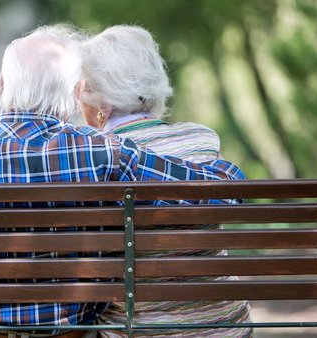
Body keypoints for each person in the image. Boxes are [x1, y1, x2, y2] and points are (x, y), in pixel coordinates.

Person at [0, 24, 246, 338]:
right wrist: (230, 174)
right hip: (68, 333)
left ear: (1, 85)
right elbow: (221, 193)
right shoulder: (100, 151)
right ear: (75, 93)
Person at [77, 25, 252, 338]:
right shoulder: (200, 138)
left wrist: (95, 122)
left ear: (96, 97)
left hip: (138, 330)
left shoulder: (93, 156)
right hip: (223, 325)